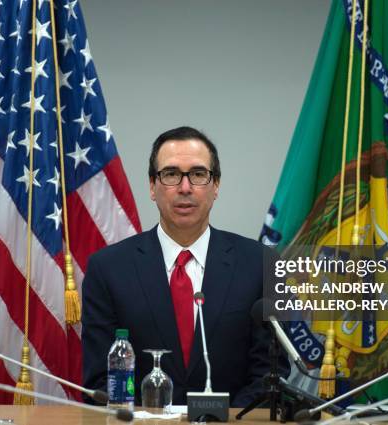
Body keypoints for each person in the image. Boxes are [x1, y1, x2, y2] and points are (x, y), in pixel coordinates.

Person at [81, 126, 287, 406]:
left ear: (216, 186)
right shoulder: (108, 269)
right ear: (152, 186)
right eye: (171, 174)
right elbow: (101, 381)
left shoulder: (260, 264)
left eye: (199, 174)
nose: (185, 187)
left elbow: (270, 376)